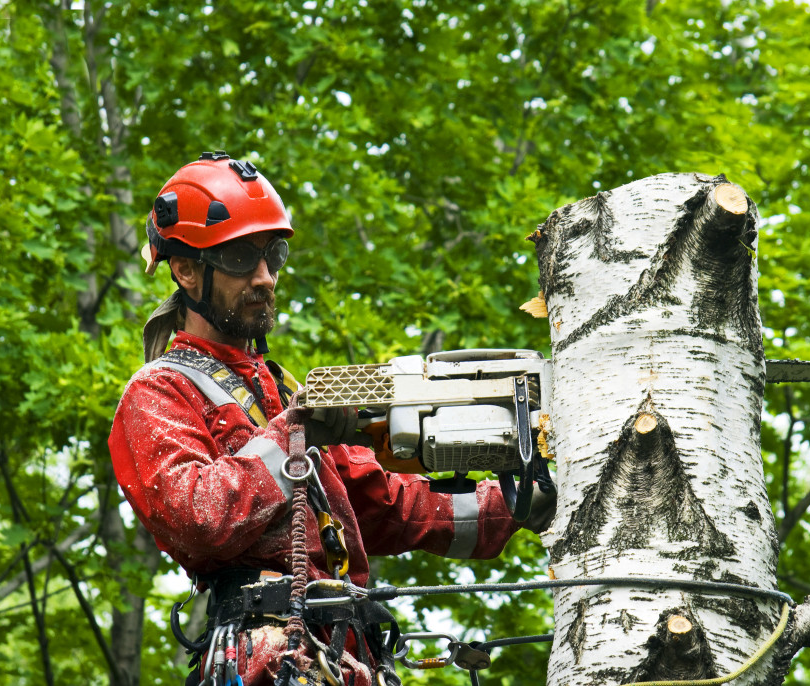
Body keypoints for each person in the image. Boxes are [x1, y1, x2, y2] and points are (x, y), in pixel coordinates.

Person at [108, 152, 550, 686]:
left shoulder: (283, 391)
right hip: (266, 656)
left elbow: (386, 507)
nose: (265, 278)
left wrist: (517, 502)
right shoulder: (160, 391)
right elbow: (200, 518)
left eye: (272, 256)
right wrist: (296, 432)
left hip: (343, 654)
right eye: (241, 259)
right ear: (185, 269)